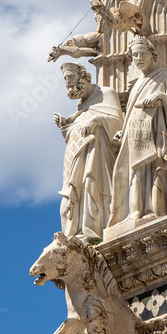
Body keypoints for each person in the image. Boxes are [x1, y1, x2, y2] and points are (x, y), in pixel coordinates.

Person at [108, 36, 167, 231]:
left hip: (157, 133)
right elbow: (132, 110)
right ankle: (135, 212)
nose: (138, 59)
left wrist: (161, 97)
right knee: (135, 173)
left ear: (152, 54)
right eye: (134, 56)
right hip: (135, 135)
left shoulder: (166, 76)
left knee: (155, 168)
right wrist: (122, 133)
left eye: (142, 54)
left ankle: (156, 209)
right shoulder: (136, 86)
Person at [55, 63, 123, 242]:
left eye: (70, 78)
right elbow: (76, 131)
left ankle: (93, 231)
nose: (67, 83)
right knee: (70, 197)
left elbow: (119, 122)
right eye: (65, 80)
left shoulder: (106, 94)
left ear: (82, 76)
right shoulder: (80, 106)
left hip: (97, 156)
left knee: (90, 187)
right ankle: (76, 233)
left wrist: (98, 119)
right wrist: (66, 125)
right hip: (77, 157)